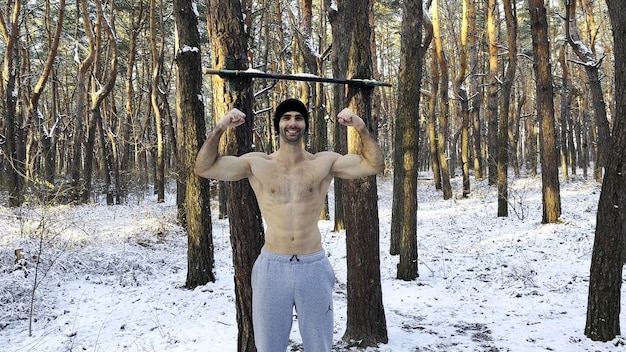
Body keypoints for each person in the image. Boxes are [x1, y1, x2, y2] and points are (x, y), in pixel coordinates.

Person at [194, 98, 384, 352]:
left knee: (320, 346)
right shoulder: (257, 163)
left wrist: (360, 127)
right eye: (286, 118)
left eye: (298, 117)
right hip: (272, 268)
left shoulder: (323, 162)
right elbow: (204, 167)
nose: (292, 123)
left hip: (313, 266)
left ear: (305, 125)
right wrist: (220, 128)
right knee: (269, 346)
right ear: (278, 125)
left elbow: (375, 164)